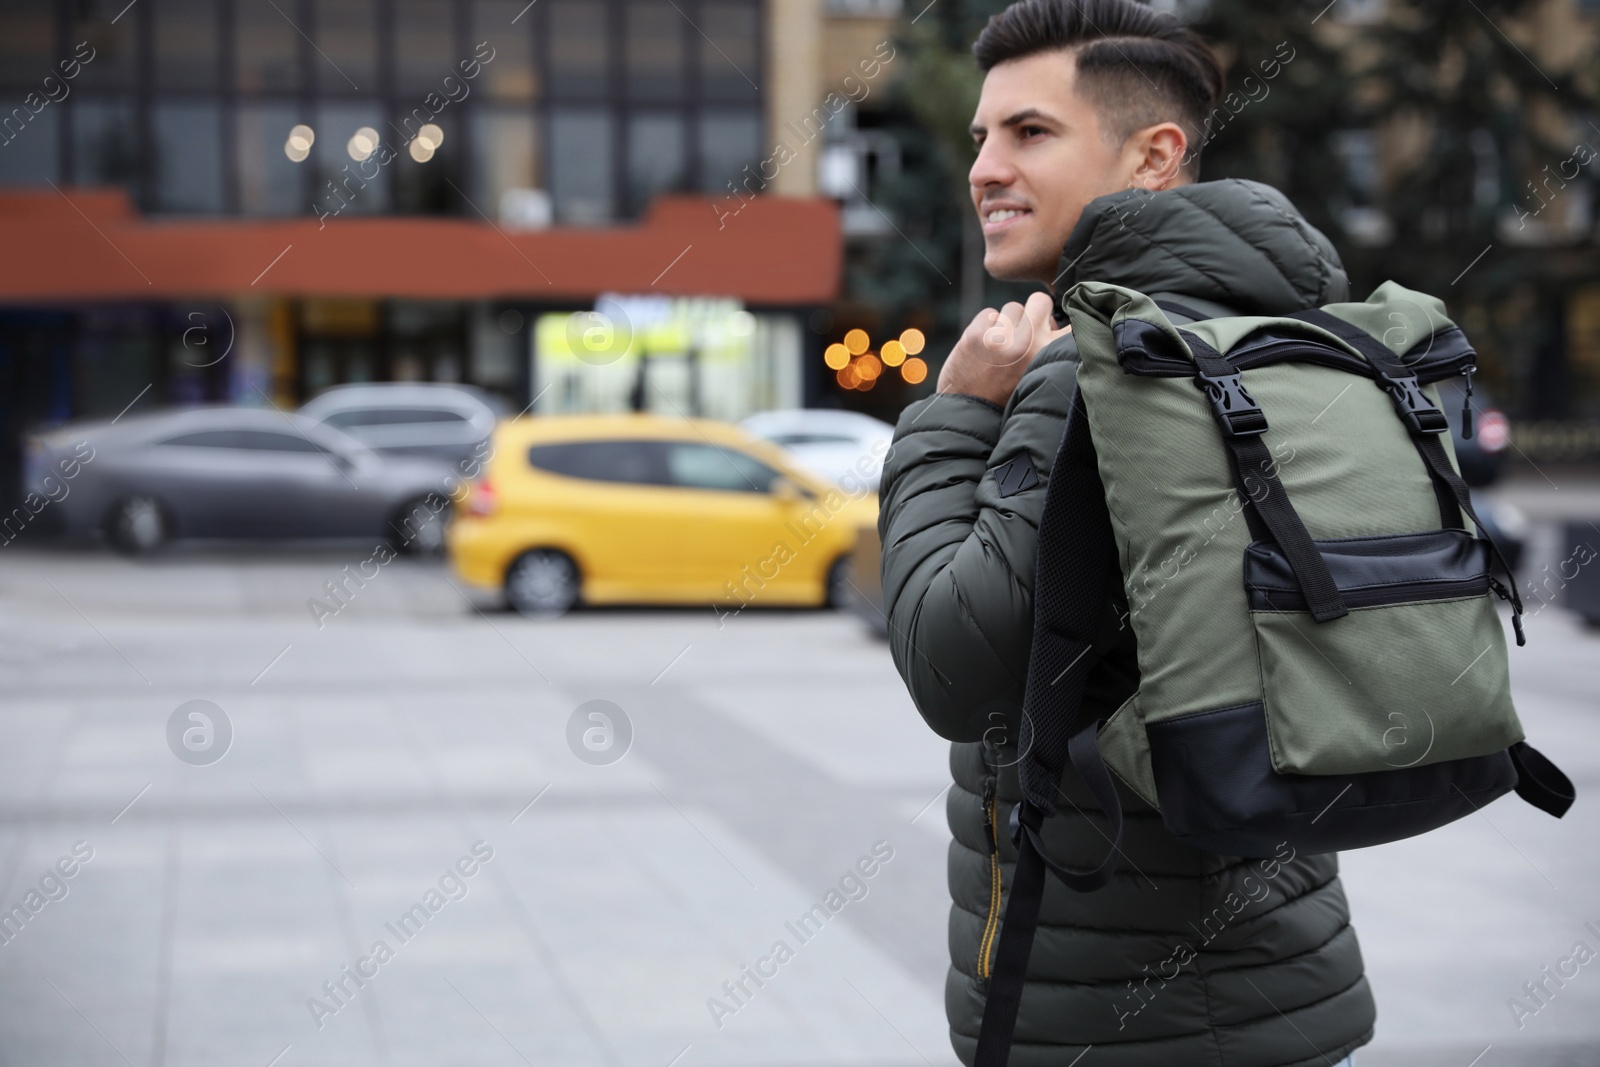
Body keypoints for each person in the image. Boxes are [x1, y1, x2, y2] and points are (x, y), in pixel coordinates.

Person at [877, 2, 1374, 1064]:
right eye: (979, 138)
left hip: (1119, 1013)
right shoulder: (1275, 331)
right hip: (1278, 974)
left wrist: (955, 412)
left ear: (1154, 156)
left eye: (1030, 133)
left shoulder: (1098, 364)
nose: (983, 168)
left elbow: (952, 669)